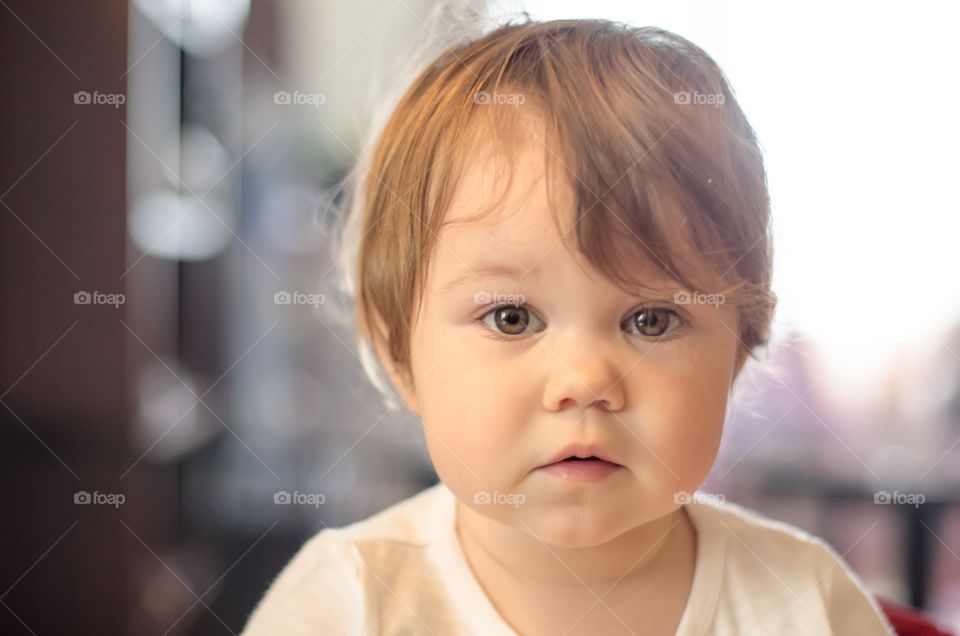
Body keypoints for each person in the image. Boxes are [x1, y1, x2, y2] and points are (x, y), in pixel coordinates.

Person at [242, 14, 895, 636]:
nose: (585, 381)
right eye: (512, 317)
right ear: (397, 351)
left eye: (652, 320)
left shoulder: (806, 603)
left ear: (741, 348)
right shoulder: (347, 602)